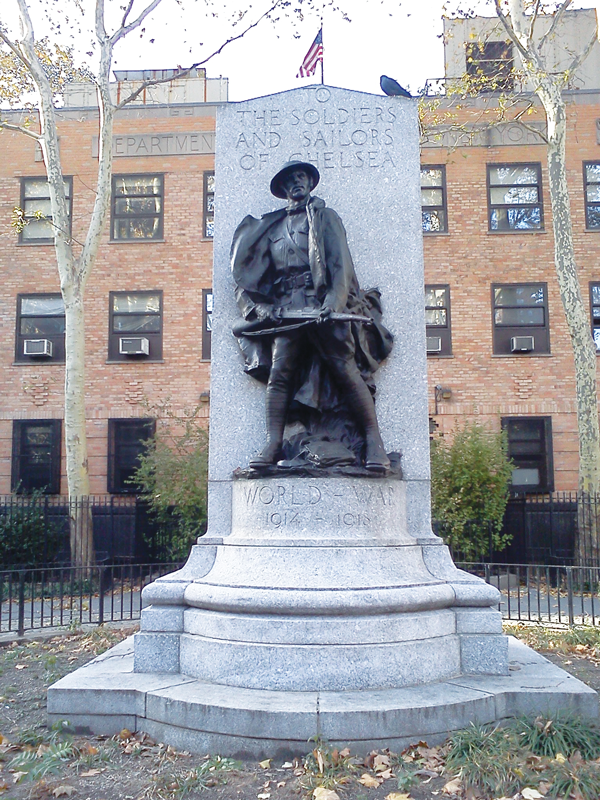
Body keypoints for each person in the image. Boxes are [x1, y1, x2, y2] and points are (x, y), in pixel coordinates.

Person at [231, 160, 393, 472]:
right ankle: (272, 442)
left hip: (321, 306)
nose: (297, 183)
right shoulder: (272, 228)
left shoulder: (325, 218)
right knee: (280, 375)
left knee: (344, 369)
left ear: (310, 182)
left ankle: (375, 441)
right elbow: (250, 279)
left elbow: (340, 267)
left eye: (302, 177)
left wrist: (333, 305)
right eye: (291, 179)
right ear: (283, 189)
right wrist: (261, 309)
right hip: (287, 310)